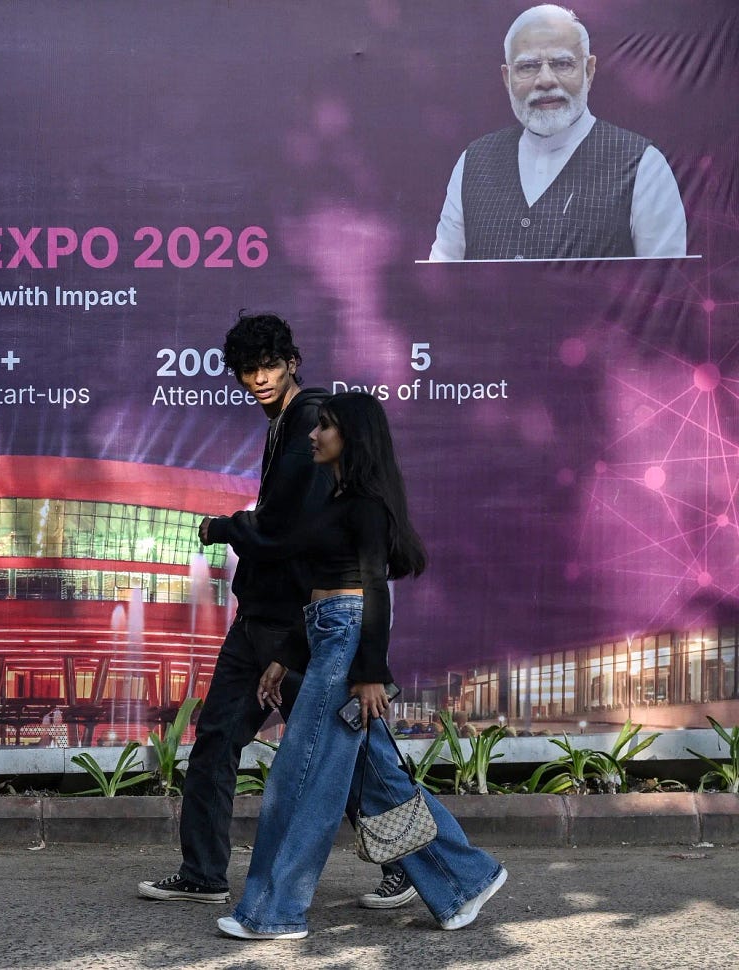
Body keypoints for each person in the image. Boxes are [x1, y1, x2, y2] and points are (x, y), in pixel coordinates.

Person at [138, 313, 405, 910]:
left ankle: (415, 863)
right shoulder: (286, 424)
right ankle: (204, 872)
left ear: (292, 362)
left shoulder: (310, 419)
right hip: (259, 619)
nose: (258, 378)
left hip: (294, 623)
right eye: (247, 370)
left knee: (354, 754)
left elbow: (288, 531)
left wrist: (223, 527)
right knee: (215, 741)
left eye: (268, 365)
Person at [216, 393, 506, 941]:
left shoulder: (366, 503)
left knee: (299, 778)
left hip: (347, 643)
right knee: (378, 781)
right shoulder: (337, 497)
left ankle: (274, 912)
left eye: (325, 426)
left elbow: (371, 589)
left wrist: (370, 672)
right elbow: (322, 590)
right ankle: (464, 879)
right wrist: (286, 657)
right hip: (326, 633)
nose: (313, 433)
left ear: (352, 436)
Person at [428, 4, 686, 261]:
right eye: (528, 67)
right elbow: (441, 278)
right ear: (507, 79)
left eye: (562, 63)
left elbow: (664, 293)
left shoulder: (644, 166)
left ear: (589, 71)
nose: (545, 80)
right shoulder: (473, 163)